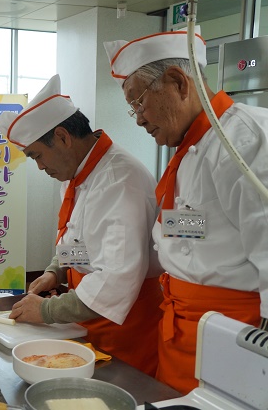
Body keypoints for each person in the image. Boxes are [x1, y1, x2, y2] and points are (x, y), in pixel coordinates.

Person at [104, 27, 268, 393]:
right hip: (180, 332)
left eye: (139, 103)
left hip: (236, 339)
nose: (139, 119)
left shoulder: (247, 140)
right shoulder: (189, 151)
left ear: (178, 82)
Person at [0, 75, 164, 376]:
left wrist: (46, 310)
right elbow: (78, 239)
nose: (40, 166)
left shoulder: (119, 181)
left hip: (125, 329)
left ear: (62, 137)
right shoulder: (79, 173)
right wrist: (54, 270)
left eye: (37, 155)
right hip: (88, 318)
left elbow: (115, 279)